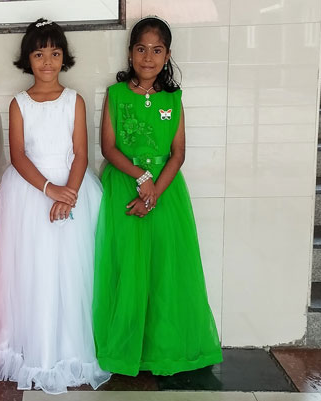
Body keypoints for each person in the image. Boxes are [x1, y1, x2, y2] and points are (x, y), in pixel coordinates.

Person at [93, 16, 223, 377]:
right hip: (125, 185)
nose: (147, 57)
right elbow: (108, 148)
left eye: (156, 50)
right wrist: (141, 178)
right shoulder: (116, 95)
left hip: (166, 191)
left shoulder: (173, 98)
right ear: (129, 52)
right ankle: (127, 349)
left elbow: (178, 153)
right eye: (141, 49)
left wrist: (153, 191)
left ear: (167, 55)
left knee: (165, 269)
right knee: (128, 268)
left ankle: (163, 349)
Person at [0, 18, 111, 394]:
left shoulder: (74, 100)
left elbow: (81, 153)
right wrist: (49, 190)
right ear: (28, 58)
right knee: (35, 270)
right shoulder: (19, 103)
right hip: (31, 193)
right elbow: (18, 155)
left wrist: (68, 193)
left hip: (73, 188)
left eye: (55, 53)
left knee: (71, 271)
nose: (47, 61)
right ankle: (36, 349)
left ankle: (71, 350)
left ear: (64, 58)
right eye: (39, 54)